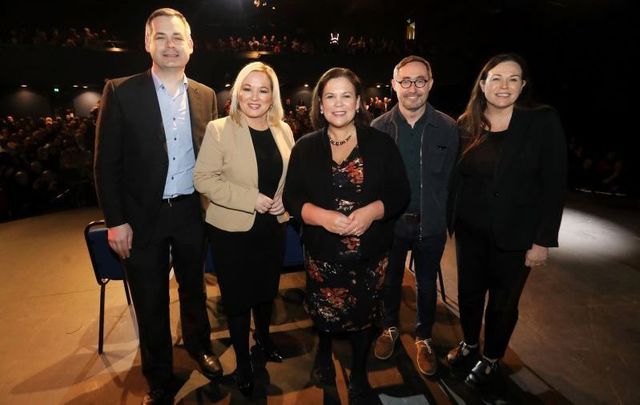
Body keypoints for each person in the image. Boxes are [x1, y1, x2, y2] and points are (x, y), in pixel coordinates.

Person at [93, 8, 221, 405]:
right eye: (161, 37)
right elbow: (105, 163)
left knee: (194, 290)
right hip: (141, 216)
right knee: (150, 300)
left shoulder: (205, 95)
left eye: (178, 37)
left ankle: (200, 348)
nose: (170, 44)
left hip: (189, 212)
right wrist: (116, 222)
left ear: (191, 46)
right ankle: (159, 376)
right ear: (148, 43)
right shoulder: (121, 90)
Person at [283, 67, 409, 403]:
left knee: (365, 317)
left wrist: (372, 212)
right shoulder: (305, 147)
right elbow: (292, 198)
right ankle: (323, 352)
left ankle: (359, 372)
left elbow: (400, 193)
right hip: (323, 253)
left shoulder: (382, 144)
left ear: (358, 104)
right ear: (320, 105)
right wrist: (321, 217)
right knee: (324, 313)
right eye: (330, 96)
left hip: (370, 253)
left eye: (346, 96)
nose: (338, 104)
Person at [445, 53, 566, 387]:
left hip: (515, 237)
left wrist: (542, 241)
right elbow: (457, 178)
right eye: (496, 78)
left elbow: (554, 185)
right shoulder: (467, 123)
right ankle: (470, 344)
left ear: (523, 85)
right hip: (470, 233)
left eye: (513, 79)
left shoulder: (541, 121)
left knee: (502, 304)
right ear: (482, 84)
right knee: (469, 295)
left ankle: (492, 358)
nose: (504, 85)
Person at [193, 62, 294, 397]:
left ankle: (263, 341)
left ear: (272, 96)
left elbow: (291, 179)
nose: (255, 96)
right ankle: (243, 362)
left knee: (266, 293)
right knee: (237, 300)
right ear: (237, 92)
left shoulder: (284, 130)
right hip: (231, 232)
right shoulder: (219, 129)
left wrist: (286, 202)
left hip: (272, 228)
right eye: (247, 88)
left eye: (263, 90)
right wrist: (250, 199)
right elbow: (203, 179)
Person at [371, 55, 459, 376]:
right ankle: (389, 328)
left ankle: (424, 337)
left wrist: (445, 221)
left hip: (431, 226)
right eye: (405, 81)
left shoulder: (449, 129)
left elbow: (453, 181)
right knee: (390, 280)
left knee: (425, 284)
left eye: (420, 81)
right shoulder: (378, 128)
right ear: (394, 85)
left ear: (430, 84)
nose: (412, 88)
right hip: (391, 225)